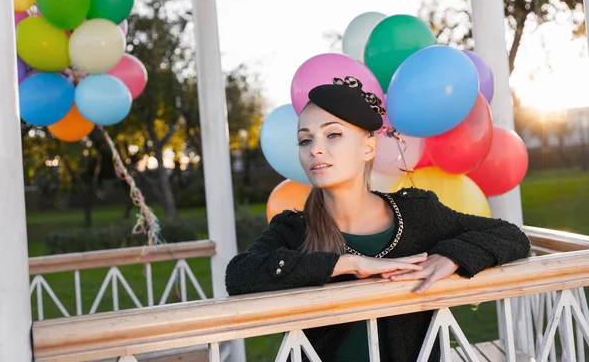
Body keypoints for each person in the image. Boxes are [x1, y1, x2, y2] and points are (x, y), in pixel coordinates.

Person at [225, 76, 531, 362]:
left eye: (333, 134)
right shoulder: (292, 229)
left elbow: (511, 236)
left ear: (368, 148)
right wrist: (347, 264)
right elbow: (239, 275)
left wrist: (451, 256)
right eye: (305, 140)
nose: (315, 149)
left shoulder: (417, 213)